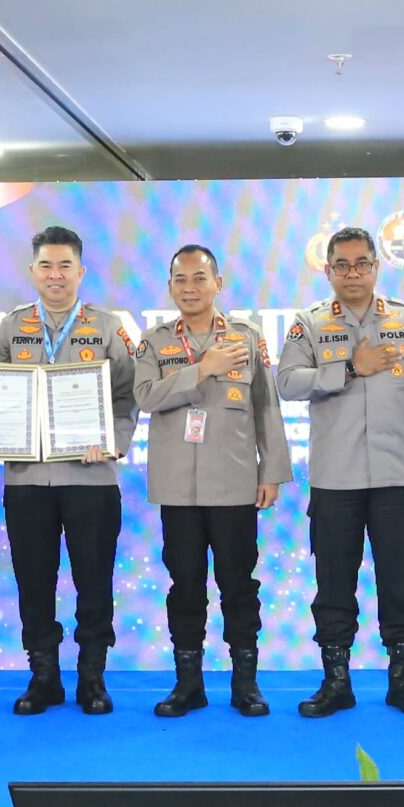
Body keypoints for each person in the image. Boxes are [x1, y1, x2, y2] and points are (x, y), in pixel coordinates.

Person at [275, 226, 404, 716]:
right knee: (334, 583)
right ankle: (336, 682)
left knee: (400, 580)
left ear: (376, 267)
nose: (352, 273)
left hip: (397, 474)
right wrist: (350, 368)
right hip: (336, 478)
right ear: (328, 270)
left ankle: (403, 682)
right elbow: (287, 382)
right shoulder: (309, 323)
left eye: (361, 264)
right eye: (342, 265)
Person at [0, 224, 138, 716]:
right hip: (27, 481)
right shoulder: (12, 327)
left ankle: (92, 677)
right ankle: (43, 676)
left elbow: (128, 394)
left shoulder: (108, 327)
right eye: (46, 265)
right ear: (32, 271)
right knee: (34, 581)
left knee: (94, 580)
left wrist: (114, 443)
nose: (55, 274)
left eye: (65, 265)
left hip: (91, 478)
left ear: (81, 271)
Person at [134, 245, 289, 717]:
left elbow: (266, 408)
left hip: (234, 483)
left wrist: (272, 472)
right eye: (180, 279)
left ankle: (246, 683)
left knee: (238, 585)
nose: (190, 288)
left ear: (217, 284)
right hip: (177, 486)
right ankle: (189, 685)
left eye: (199, 278)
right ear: (170, 287)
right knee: (185, 586)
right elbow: (145, 396)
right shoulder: (154, 342)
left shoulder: (246, 337)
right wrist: (202, 370)